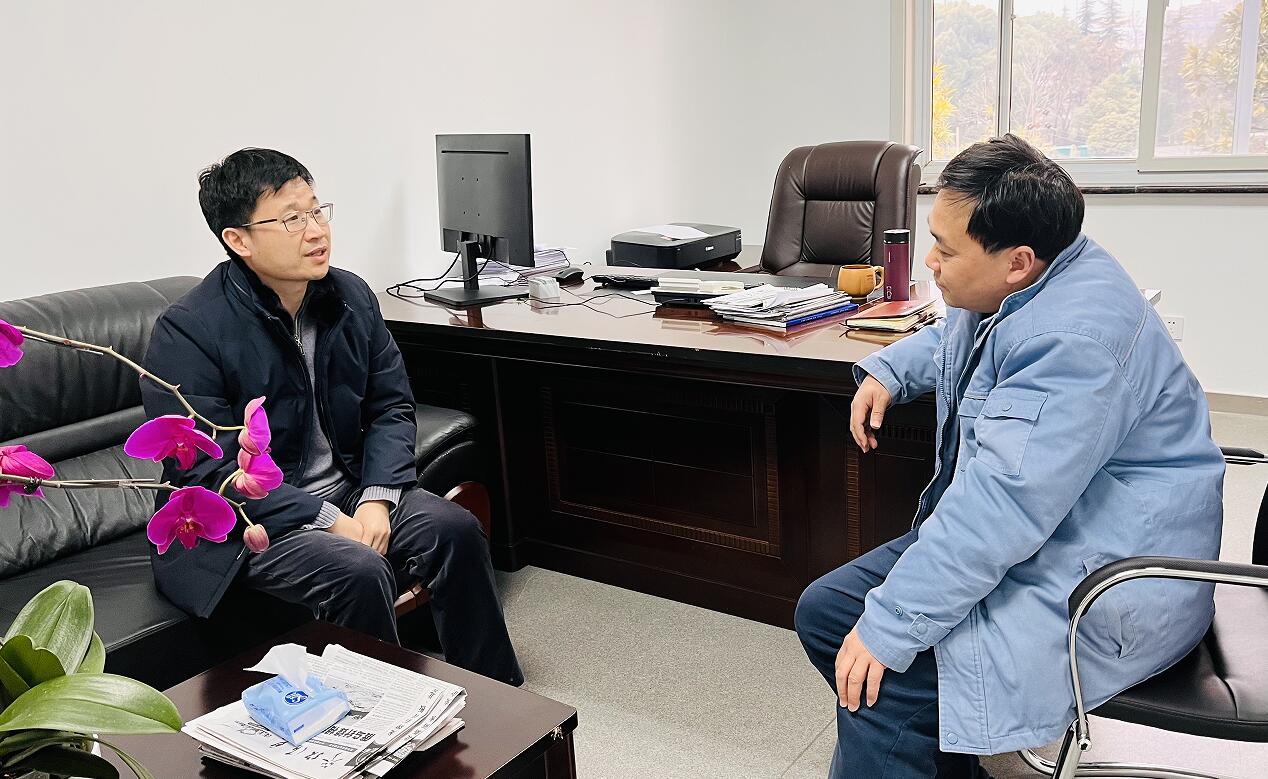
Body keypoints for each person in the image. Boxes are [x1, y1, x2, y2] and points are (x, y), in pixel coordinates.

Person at [795, 134, 1223, 777]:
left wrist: (892, 627)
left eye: (945, 250)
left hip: (1110, 578)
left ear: (1017, 262)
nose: (930, 262)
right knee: (829, 614)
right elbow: (969, 334)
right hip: (1065, 529)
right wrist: (893, 367)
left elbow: (1000, 508)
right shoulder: (1038, 275)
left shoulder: (1075, 344)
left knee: (892, 670)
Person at [141, 148, 522, 685]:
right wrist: (330, 521)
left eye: (317, 210)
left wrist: (376, 499)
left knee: (454, 528)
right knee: (359, 569)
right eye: (291, 219)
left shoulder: (349, 296)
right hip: (242, 525)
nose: (316, 230)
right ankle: (386, 719)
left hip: (347, 490)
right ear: (239, 240)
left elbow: (391, 405)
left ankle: (498, 697)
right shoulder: (188, 332)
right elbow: (211, 472)